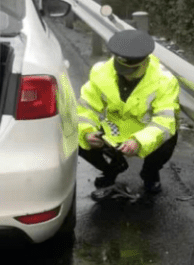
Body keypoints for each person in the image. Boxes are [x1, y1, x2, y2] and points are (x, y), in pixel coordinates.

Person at [77, 29, 181, 196]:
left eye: (131, 71)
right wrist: (87, 132)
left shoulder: (165, 80)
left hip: (146, 132)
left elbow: (164, 121)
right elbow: (86, 108)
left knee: (170, 133)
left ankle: (150, 173)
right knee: (74, 135)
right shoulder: (102, 71)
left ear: (145, 62)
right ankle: (112, 168)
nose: (126, 76)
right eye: (121, 69)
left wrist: (138, 141)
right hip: (114, 130)